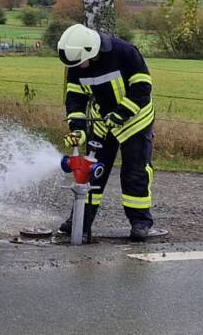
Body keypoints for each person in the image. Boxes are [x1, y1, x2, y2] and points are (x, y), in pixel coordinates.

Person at [57, 23, 156, 242]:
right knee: (91, 172)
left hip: (135, 120)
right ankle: (81, 221)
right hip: (102, 122)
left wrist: (121, 113)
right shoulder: (77, 63)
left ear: (92, 52)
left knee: (135, 172)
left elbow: (142, 89)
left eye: (80, 63)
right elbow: (75, 98)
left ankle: (140, 222)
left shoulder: (125, 53)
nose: (78, 68)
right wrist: (78, 130)